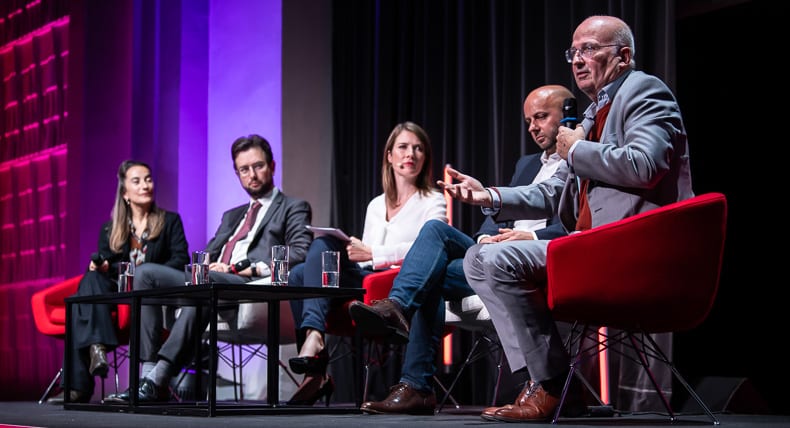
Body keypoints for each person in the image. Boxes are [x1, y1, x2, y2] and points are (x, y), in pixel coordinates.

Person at [437, 15, 694, 422]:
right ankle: (553, 383)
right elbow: (554, 192)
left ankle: (553, 385)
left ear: (623, 56)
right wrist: (489, 195)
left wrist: (576, 151)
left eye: (589, 49)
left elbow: (647, 164)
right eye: (573, 51)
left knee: (493, 260)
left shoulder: (644, 91)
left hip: (632, 251)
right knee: (480, 259)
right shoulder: (592, 114)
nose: (577, 59)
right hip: (592, 248)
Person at [347, 85, 572, 415]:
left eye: (540, 117)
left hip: (539, 256)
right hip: (491, 257)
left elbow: (578, 223)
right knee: (435, 255)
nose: (532, 127)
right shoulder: (526, 164)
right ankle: (413, 375)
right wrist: (486, 240)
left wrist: (531, 238)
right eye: (528, 121)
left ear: (566, 116)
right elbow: (492, 222)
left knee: (434, 243)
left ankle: (411, 366)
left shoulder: (579, 160)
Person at [108, 134, 313, 403]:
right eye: (244, 169)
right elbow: (205, 254)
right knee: (145, 274)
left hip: (250, 286)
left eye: (258, 166)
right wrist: (206, 266)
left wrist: (242, 269)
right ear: (237, 173)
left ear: (272, 166)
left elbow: (300, 254)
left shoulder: (293, 207)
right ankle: (149, 376)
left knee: (205, 283)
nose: (251, 174)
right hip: (214, 279)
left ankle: (159, 377)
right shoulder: (232, 215)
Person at [285, 121, 447, 406]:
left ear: (426, 157)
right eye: (403, 147)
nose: (411, 154)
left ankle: (315, 360)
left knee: (305, 271)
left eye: (418, 148)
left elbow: (431, 248)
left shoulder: (433, 200)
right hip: (367, 278)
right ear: (389, 155)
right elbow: (365, 260)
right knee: (305, 266)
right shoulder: (375, 204)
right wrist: (358, 252)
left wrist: (373, 252)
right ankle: (314, 346)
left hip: (400, 284)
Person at [47, 160, 189, 404]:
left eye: (148, 179)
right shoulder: (110, 229)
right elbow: (109, 267)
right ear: (125, 193)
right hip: (117, 295)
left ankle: (82, 379)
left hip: (151, 294)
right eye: (137, 181)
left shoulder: (170, 222)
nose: (145, 185)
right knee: (91, 277)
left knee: (79, 304)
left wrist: (147, 272)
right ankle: (96, 350)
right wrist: (103, 266)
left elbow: (180, 261)